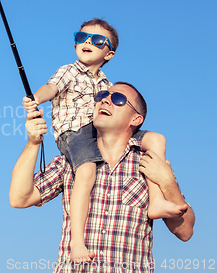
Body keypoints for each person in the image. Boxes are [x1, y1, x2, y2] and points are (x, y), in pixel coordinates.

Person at [22, 19, 185, 262]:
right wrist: (35, 99)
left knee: (157, 139)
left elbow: (186, 231)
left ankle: (157, 201)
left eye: (97, 41)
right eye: (81, 37)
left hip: (93, 132)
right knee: (86, 171)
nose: (87, 42)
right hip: (75, 133)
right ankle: (77, 242)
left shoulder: (106, 84)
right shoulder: (69, 71)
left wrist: (166, 179)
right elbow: (51, 88)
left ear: (109, 54)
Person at [11, 82, 195, 272]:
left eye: (118, 99)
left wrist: (168, 181)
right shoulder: (72, 160)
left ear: (136, 119)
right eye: (101, 96)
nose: (105, 100)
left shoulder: (150, 165)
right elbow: (19, 197)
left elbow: (185, 231)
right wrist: (33, 142)